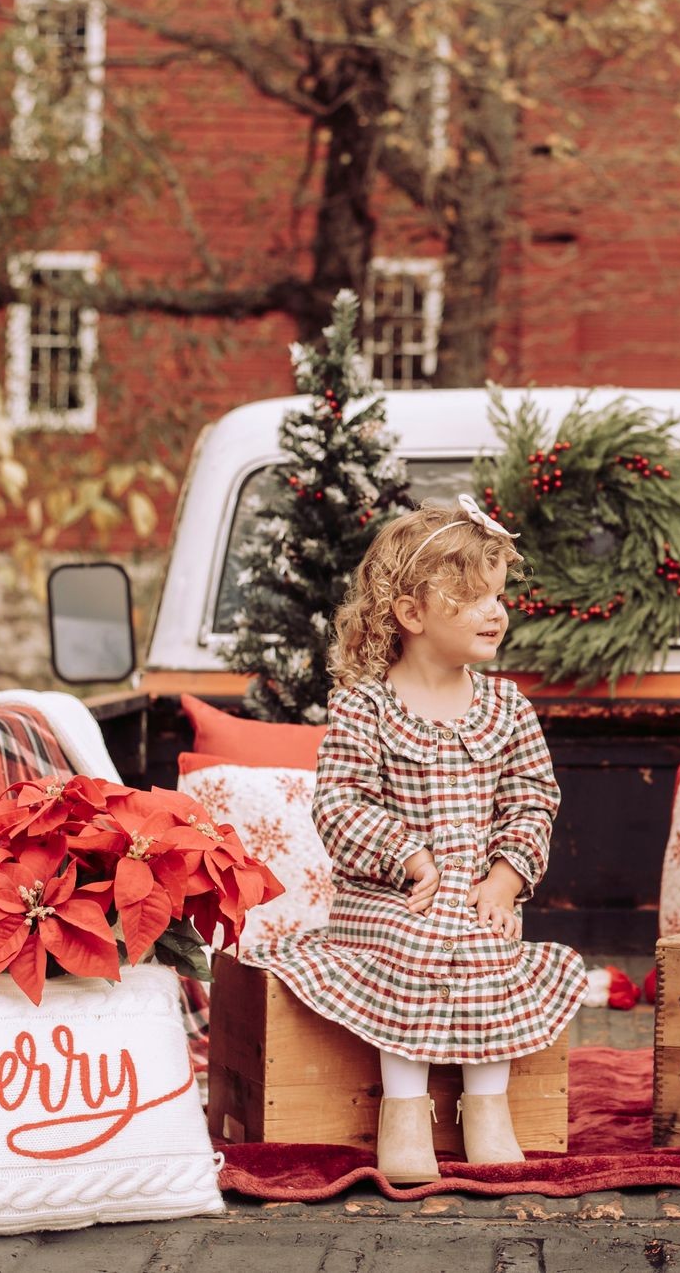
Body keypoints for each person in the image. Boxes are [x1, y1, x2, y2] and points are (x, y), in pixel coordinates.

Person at [256, 496, 586, 1184]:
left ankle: (485, 1106)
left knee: (489, 937)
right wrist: (404, 853)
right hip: (388, 902)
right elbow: (341, 801)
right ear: (411, 614)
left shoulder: (506, 707)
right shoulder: (365, 706)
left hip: (475, 899)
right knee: (420, 936)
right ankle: (404, 1112)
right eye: (471, 600)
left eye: (498, 597)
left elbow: (533, 800)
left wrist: (505, 879)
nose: (496, 612)